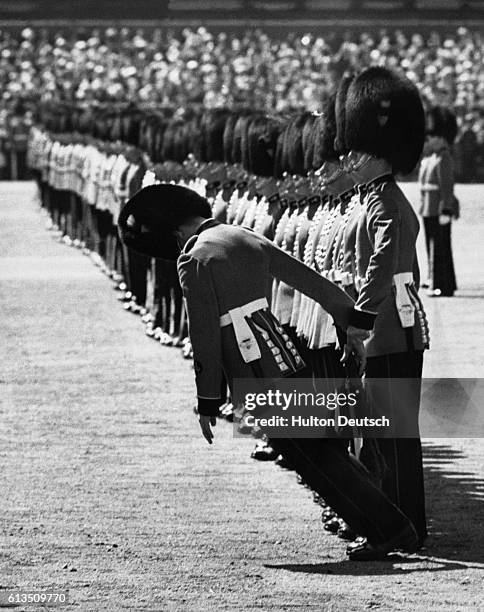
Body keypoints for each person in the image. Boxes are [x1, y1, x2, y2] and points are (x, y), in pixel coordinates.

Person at [118, 182, 420, 560]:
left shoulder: (193, 258)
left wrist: (208, 398)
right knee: (322, 448)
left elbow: (206, 339)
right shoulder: (243, 235)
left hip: (253, 367)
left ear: (175, 233)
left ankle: (388, 530)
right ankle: (390, 526)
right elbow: (313, 282)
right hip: (284, 351)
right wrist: (352, 323)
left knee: (313, 458)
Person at [343, 66, 430, 550]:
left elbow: (382, 266)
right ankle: (402, 526)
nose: (350, 161)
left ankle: (399, 529)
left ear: (379, 153)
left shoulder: (387, 204)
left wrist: (358, 318)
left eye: (357, 151)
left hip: (389, 329)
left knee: (392, 436)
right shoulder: (378, 198)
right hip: (388, 327)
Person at [418, 105, 459, 297]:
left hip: (439, 209)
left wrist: (447, 209)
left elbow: (446, 187)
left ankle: (443, 284)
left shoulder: (444, 158)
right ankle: (435, 278)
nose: (430, 140)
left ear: (442, 137)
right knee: (432, 248)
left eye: (433, 136)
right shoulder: (431, 158)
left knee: (441, 249)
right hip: (429, 208)